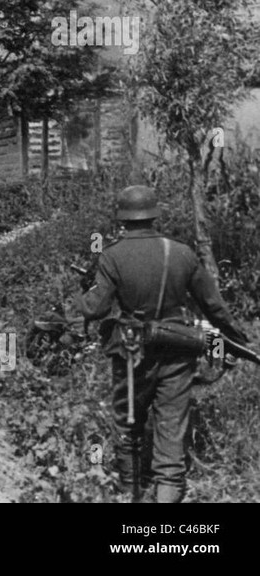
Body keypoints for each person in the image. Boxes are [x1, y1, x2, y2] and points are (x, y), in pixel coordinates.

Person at [79, 185, 251, 503]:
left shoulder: (112, 256)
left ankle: (129, 491)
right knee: (172, 427)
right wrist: (238, 340)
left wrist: (87, 287)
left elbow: (95, 309)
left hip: (132, 354)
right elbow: (214, 306)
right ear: (155, 217)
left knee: (128, 420)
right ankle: (167, 493)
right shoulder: (182, 253)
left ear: (122, 220)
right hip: (178, 351)